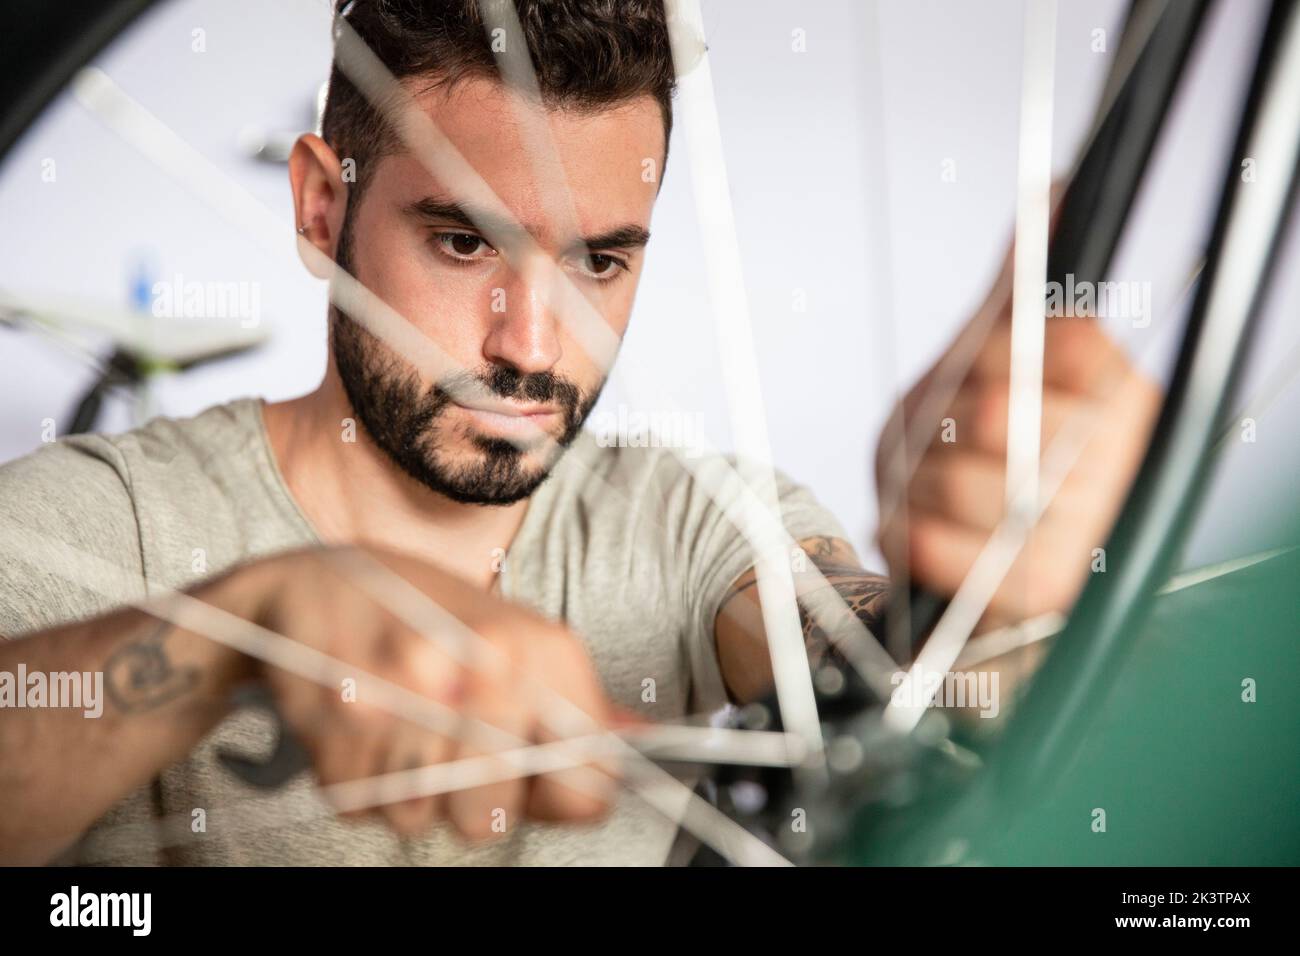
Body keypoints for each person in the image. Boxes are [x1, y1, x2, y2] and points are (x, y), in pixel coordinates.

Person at [0, 0, 1160, 865]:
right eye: (463, 242)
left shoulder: (687, 522)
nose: (532, 345)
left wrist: (993, 611)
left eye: (599, 259)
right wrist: (240, 632)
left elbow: (859, 656)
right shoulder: (103, 524)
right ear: (320, 205)